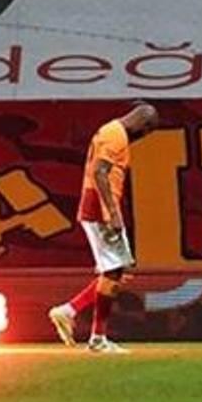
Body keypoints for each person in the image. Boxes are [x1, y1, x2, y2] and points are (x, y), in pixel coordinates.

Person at [48, 101, 158, 354]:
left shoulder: (110, 131)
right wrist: (112, 213)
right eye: (147, 131)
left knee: (118, 271)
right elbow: (100, 172)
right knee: (113, 272)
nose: (143, 136)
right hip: (99, 209)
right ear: (143, 123)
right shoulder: (115, 135)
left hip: (98, 207)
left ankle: (69, 311)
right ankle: (97, 339)